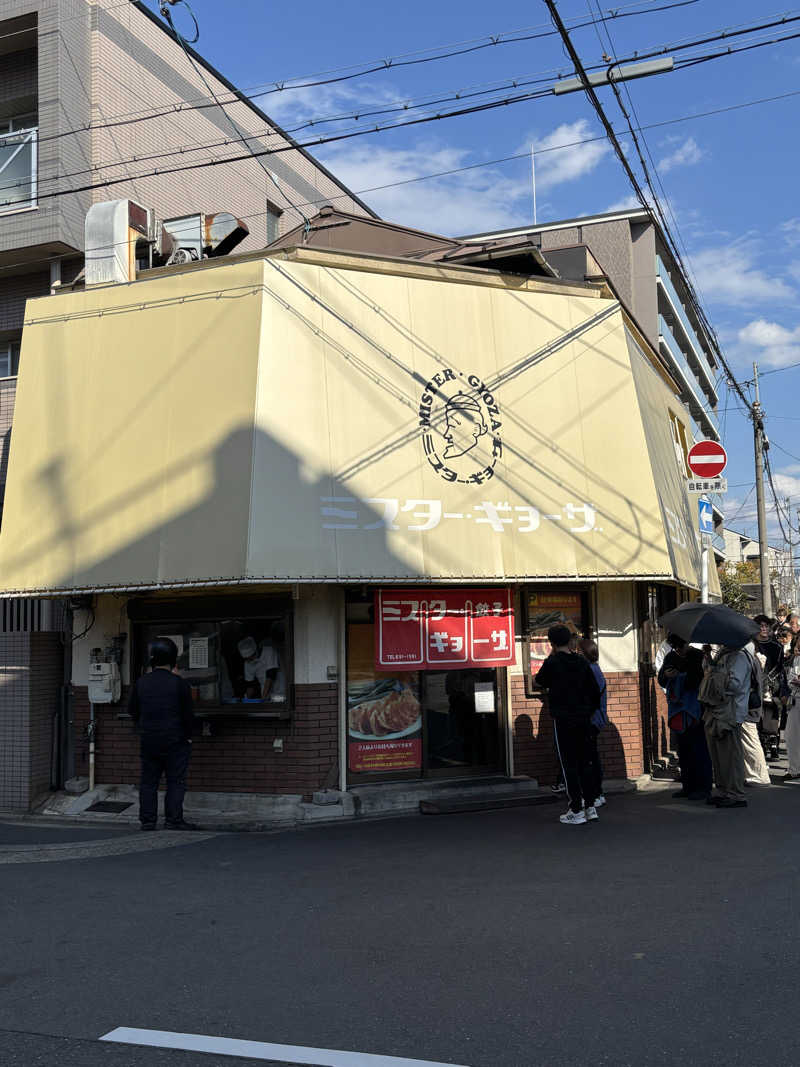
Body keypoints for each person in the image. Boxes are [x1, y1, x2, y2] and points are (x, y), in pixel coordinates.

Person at [535, 624, 601, 826]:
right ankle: (590, 807)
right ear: (570, 640)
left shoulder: (553, 662)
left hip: (564, 720)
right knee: (585, 762)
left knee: (569, 764)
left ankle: (575, 810)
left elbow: (539, 681)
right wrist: (586, 711)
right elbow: (594, 692)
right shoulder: (582, 662)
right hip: (584, 720)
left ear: (552, 643)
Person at [128, 637, 196, 831]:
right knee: (176, 781)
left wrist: (142, 726)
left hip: (149, 739)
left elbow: (133, 710)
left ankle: (148, 820)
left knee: (148, 781)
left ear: (152, 660)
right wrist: (188, 736)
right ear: (174, 660)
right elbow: (188, 715)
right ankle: (173, 820)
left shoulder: (141, 683)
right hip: (176, 739)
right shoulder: (180, 684)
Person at [657, 634, 712, 801]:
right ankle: (687, 786)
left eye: (681, 646)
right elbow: (661, 679)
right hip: (678, 709)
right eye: (675, 647)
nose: (678, 650)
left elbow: (699, 680)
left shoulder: (697, 656)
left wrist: (680, 676)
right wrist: (667, 675)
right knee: (684, 750)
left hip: (695, 708)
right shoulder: (671, 656)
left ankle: (703, 788)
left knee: (699, 750)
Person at [700, 644, 750, 809]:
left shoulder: (740, 657)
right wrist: (708, 661)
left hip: (730, 712)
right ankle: (723, 791)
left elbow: (734, 685)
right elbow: (710, 676)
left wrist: (715, 674)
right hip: (715, 710)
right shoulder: (721, 655)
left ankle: (736, 794)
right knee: (718, 755)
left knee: (731, 755)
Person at [579, 638, 607, 808]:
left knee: (589, 759)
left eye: (579, 651)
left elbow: (591, 698)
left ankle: (595, 794)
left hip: (591, 719)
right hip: (596, 718)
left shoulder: (591, 670)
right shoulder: (596, 668)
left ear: (585, 654)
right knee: (592, 757)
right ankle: (598, 793)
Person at [237, 634, 286, 702]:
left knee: (278, 705)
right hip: (264, 691)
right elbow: (250, 684)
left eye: (250, 658)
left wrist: (263, 697)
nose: (249, 661)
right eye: (246, 659)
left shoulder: (269, 651)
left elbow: (271, 675)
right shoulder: (247, 663)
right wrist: (246, 699)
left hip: (279, 688)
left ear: (255, 651)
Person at [784, 642, 800, 781]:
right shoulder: (796, 659)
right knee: (791, 736)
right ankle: (795, 769)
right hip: (796, 699)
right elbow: (790, 678)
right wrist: (793, 682)